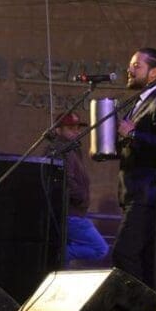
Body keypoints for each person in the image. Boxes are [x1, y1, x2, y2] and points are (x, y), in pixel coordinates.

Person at [114, 47, 156, 286]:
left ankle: (138, 305)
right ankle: (146, 306)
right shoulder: (137, 104)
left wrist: (132, 134)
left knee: (124, 253)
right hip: (133, 193)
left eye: (136, 66)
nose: (129, 70)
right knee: (143, 261)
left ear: (154, 73)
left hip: (149, 194)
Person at [47, 111, 109, 264]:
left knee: (64, 264)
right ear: (58, 130)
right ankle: (57, 255)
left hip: (72, 213)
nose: (76, 132)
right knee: (100, 249)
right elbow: (64, 179)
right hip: (71, 214)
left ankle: (58, 260)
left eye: (77, 128)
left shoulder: (71, 149)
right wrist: (80, 197)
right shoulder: (61, 150)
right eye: (70, 128)